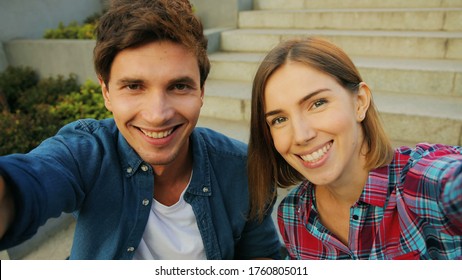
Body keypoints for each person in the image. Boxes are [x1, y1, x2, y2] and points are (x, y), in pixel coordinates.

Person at [0, 0, 281, 260]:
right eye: (134, 86)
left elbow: (261, 257)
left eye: (179, 86)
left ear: (201, 91)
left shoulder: (243, 170)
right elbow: (32, 180)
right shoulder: (87, 152)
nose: (157, 115)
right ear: (106, 92)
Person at [247, 37, 462, 260]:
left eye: (318, 103)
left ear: (360, 102)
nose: (301, 135)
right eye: (279, 119)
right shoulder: (292, 214)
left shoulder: (424, 184)